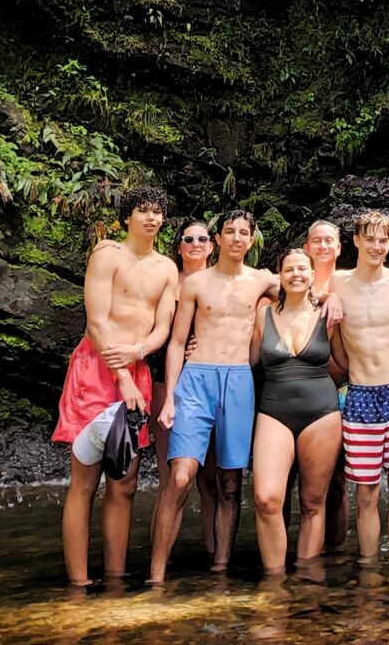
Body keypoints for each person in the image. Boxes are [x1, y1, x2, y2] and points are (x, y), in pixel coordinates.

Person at [52, 186, 178, 586]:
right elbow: (96, 321)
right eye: (143, 211)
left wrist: (138, 352)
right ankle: (78, 583)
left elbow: (162, 328)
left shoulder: (167, 268)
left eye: (157, 212)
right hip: (96, 369)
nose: (151, 218)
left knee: (124, 484)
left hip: (137, 368)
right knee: (85, 481)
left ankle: (116, 578)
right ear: (127, 218)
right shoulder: (108, 254)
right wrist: (121, 375)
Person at [149, 210, 279, 583]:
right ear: (217, 239)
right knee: (180, 476)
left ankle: (220, 568)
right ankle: (156, 574)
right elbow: (176, 343)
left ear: (252, 241)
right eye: (229, 232)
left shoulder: (261, 282)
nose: (237, 238)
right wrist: (171, 397)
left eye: (244, 233)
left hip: (239, 380)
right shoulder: (194, 283)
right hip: (196, 379)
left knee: (230, 481)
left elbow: (304, 288)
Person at [331, 210, 389, 562]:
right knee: (366, 493)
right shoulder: (336, 284)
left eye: (383, 240)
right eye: (369, 239)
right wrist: (329, 298)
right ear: (355, 241)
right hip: (361, 394)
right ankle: (369, 569)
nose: (377, 246)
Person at [251, 249, 344, 574]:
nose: (296, 275)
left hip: (322, 412)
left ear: (311, 273)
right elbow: (245, 359)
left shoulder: (328, 314)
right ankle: (275, 582)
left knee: (312, 503)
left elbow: (348, 360)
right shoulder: (262, 316)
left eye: (302, 269)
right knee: (266, 499)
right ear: (279, 274)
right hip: (274, 410)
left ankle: (308, 580)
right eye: (289, 269)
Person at [147, 219, 217, 552]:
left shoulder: (222, 283)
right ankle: (160, 561)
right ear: (178, 247)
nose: (195, 244)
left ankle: (214, 557)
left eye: (202, 238)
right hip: (166, 381)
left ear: (211, 245)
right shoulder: (166, 284)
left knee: (211, 481)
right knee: (171, 476)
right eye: (188, 239)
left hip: (209, 383)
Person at [303, 220, 349, 550]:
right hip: (297, 389)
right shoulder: (288, 281)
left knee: (337, 479)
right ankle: (295, 551)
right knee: (293, 476)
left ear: (339, 248)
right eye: (316, 241)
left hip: (343, 388)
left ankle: (334, 553)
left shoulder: (350, 283)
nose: (322, 246)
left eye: (328, 241)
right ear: (306, 248)